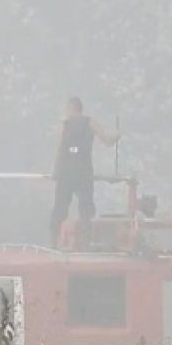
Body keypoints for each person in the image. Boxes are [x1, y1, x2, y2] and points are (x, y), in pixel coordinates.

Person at [50, 97, 119, 247]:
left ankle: (53, 242)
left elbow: (60, 149)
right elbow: (107, 140)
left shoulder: (65, 125)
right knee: (85, 209)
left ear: (72, 108)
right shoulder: (90, 123)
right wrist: (116, 137)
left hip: (67, 172)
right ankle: (85, 242)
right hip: (83, 171)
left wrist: (56, 171)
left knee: (61, 207)